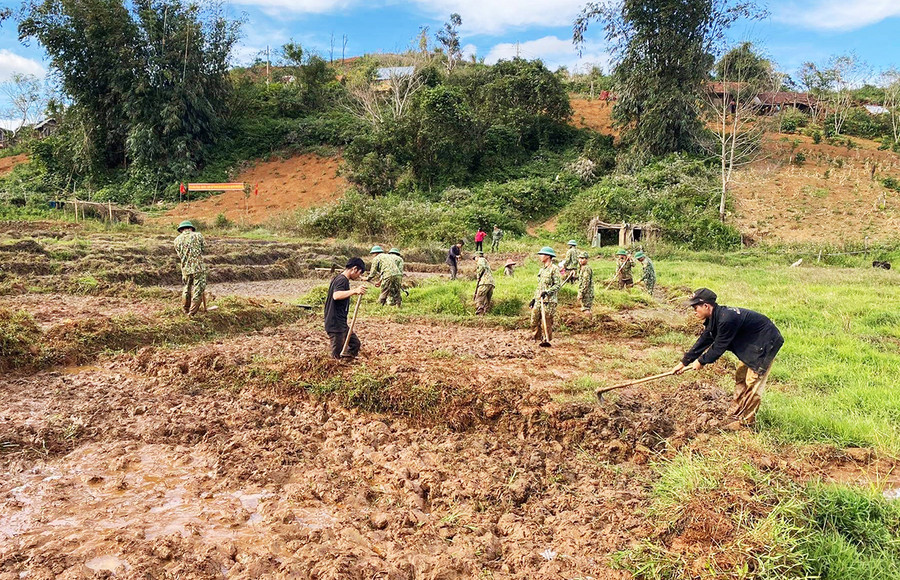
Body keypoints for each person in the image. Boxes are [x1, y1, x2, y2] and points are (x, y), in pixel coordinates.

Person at [672, 288, 784, 427]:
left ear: (706, 306)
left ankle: (745, 423)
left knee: (753, 383)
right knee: (741, 377)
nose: (694, 311)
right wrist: (684, 362)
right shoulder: (715, 318)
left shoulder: (726, 319)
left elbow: (719, 346)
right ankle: (735, 412)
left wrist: (701, 361)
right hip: (750, 345)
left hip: (766, 342)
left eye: (696, 307)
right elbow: (705, 339)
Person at [324, 258, 368, 360]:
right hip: (335, 324)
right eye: (359, 273)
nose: (359, 276)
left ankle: (347, 362)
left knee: (355, 343)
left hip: (341, 322)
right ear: (354, 269)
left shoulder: (340, 278)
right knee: (336, 354)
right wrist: (355, 291)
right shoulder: (342, 280)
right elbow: (336, 295)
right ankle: (336, 369)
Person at [173, 220, 207, 317]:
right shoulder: (198, 235)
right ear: (191, 228)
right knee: (198, 289)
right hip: (198, 268)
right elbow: (203, 249)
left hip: (185, 268)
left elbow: (180, 255)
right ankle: (192, 313)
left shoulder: (176, 240)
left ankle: (185, 309)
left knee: (186, 288)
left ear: (181, 230)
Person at [530, 246, 562, 343]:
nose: (540, 256)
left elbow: (557, 285)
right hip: (539, 300)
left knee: (546, 323)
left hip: (549, 301)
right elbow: (540, 286)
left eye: (542, 254)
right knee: (534, 321)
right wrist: (534, 299)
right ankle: (536, 338)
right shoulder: (542, 270)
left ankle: (546, 340)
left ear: (548, 256)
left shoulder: (554, 269)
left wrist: (547, 292)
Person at [473, 251, 495, 315]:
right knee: (487, 300)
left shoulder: (481, 260)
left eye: (475, 258)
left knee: (479, 297)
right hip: (491, 283)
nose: (475, 260)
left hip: (484, 282)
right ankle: (486, 313)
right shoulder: (486, 262)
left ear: (477, 256)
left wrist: (478, 276)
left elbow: (481, 268)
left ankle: (479, 313)